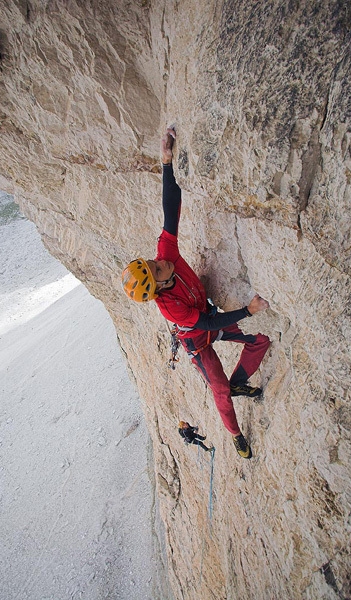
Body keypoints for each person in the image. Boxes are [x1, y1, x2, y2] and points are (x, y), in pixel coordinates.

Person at [122, 128, 271, 459]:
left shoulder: (166, 255)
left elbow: (171, 208)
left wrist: (166, 161)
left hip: (207, 320)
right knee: (218, 390)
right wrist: (248, 310)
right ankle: (235, 434)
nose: (160, 260)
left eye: (153, 261)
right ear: (158, 286)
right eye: (157, 268)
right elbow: (206, 322)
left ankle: (238, 381)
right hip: (197, 336)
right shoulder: (170, 307)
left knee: (260, 341)